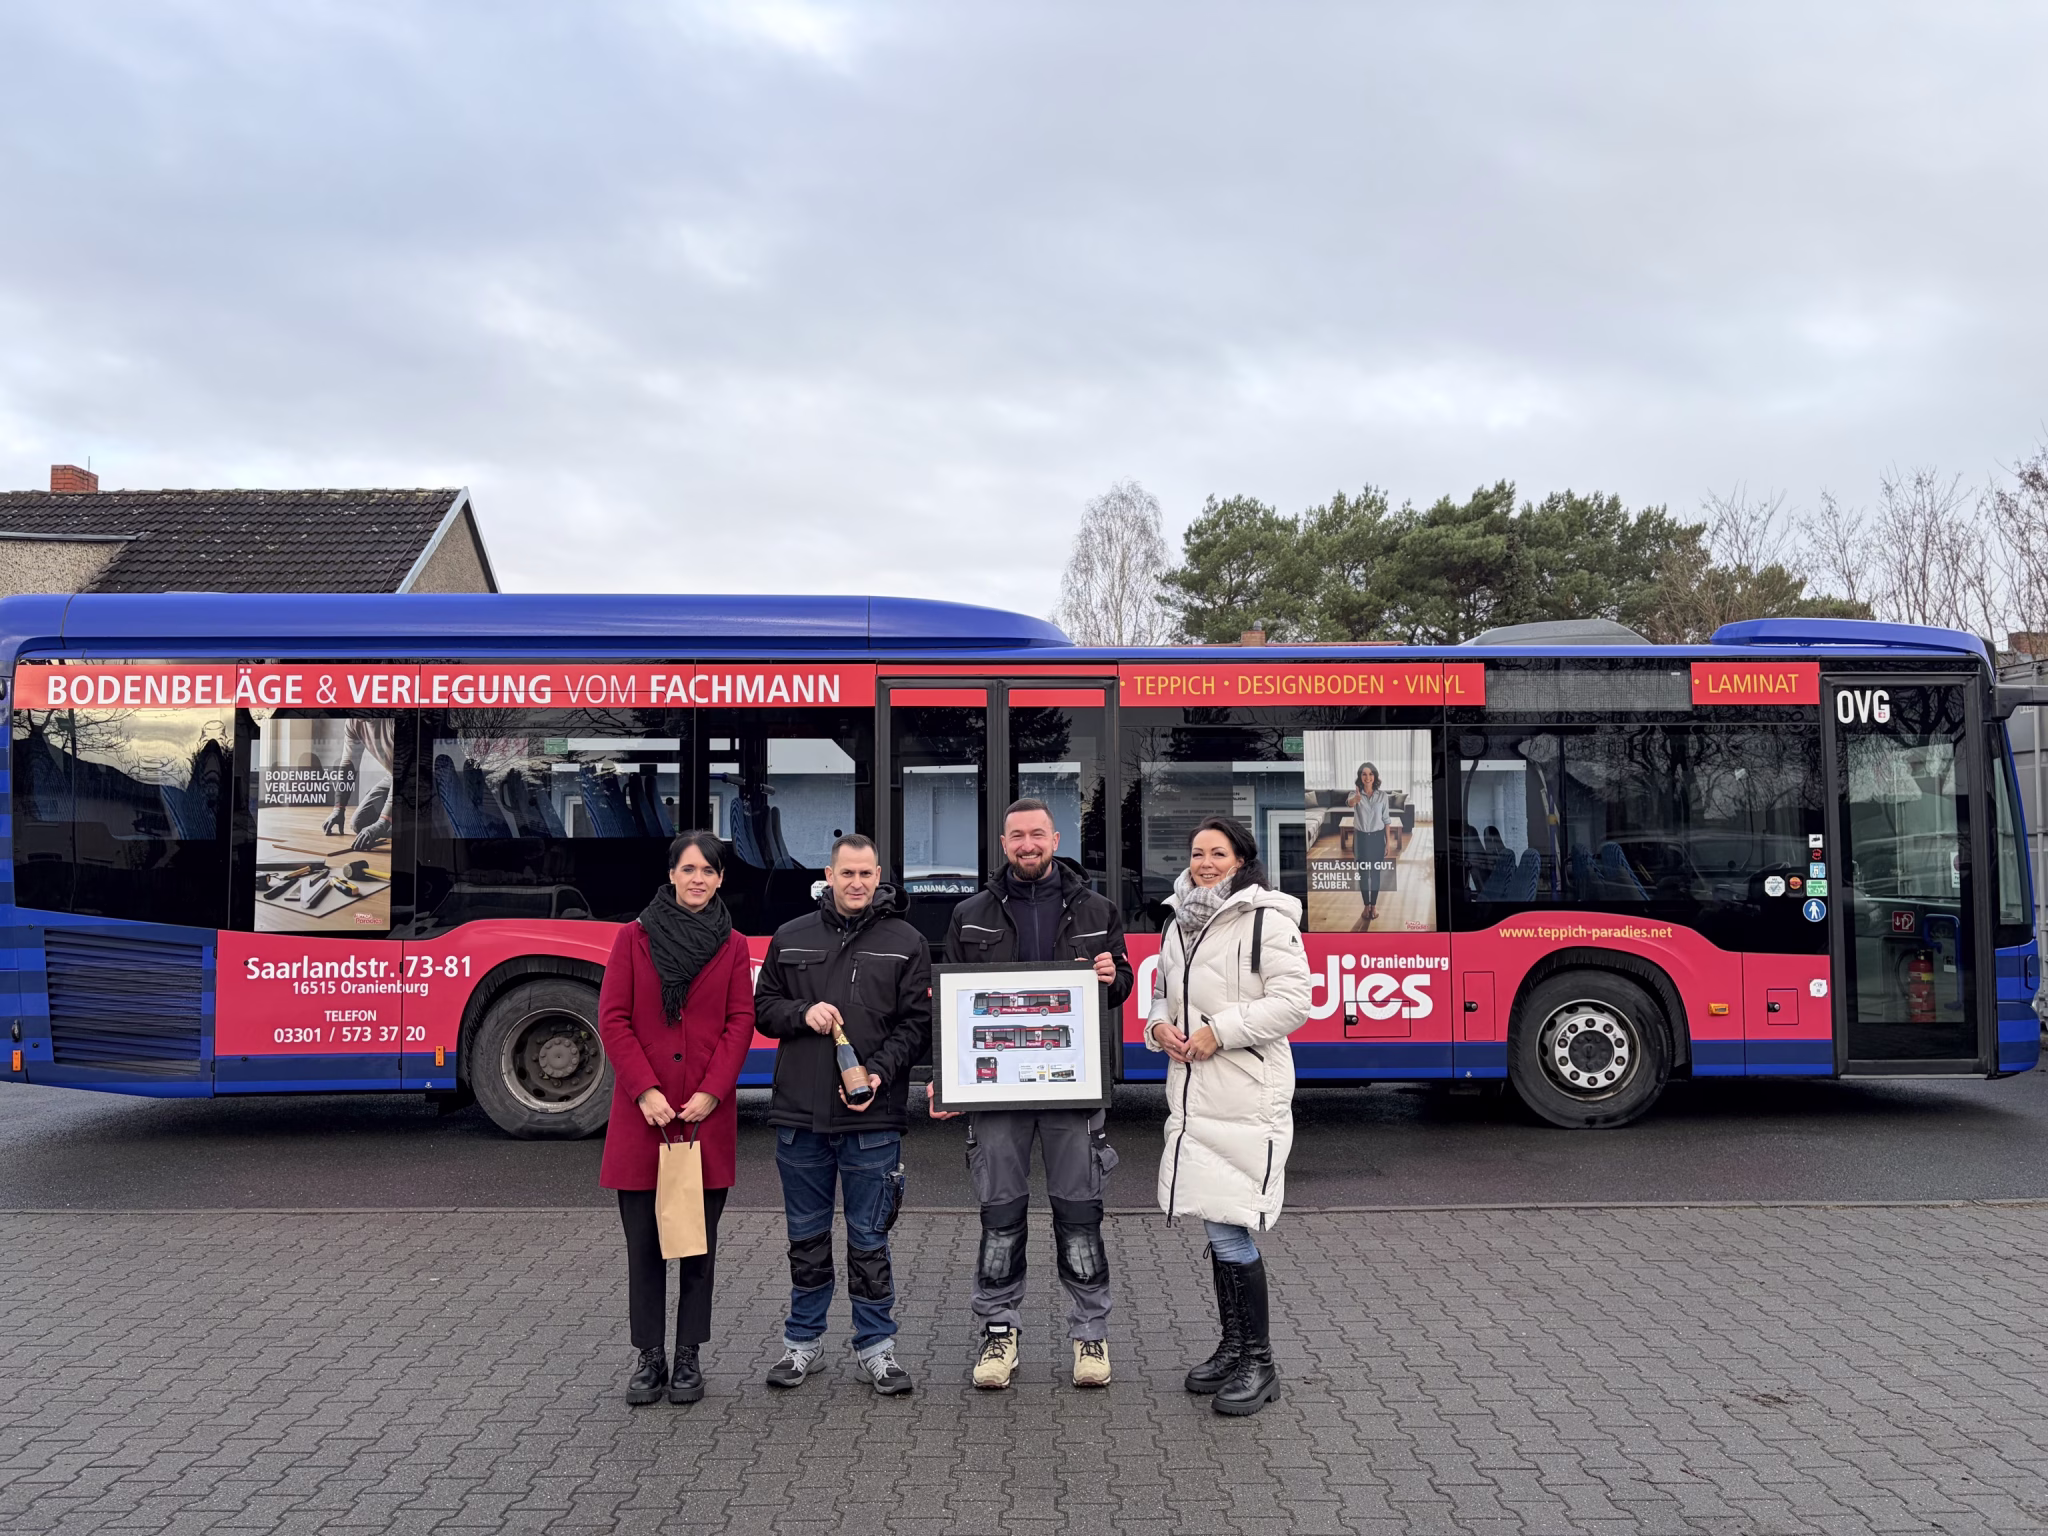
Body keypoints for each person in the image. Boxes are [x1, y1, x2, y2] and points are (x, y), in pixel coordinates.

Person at [931, 798, 1134, 1390]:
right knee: (1000, 1217)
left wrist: (1108, 977)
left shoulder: (1098, 909)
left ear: (1055, 838)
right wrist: (945, 1074)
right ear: (1003, 842)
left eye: (1037, 835)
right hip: (996, 1096)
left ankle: (1090, 1333)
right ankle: (999, 1332)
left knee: (1079, 1214)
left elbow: (1120, 983)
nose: (1027, 844)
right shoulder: (970, 914)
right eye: (1016, 835)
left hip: (1073, 1092)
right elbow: (952, 1007)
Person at [752, 833, 931, 1395]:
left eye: (867, 874)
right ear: (828, 875)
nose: (857, 883)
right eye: (847, 873)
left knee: (869, 1240)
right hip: (800, 1117)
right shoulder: (790, 936)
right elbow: (763, 1010)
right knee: (805, 1240)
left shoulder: (906, 941)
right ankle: (801, 1346)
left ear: (880, 877)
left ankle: (877, 1350)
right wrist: (803, 1012)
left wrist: (878, 1071)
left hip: (872, 1119)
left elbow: (916, 1026)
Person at [1146, 815, 1312, 1416]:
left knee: (1229, 1224)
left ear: (1241, 860)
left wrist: (1221, 1032)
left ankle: (1259, 1363)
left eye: (1218, 853)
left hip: (1244, 1090)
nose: (1205, 862)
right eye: (1197, 852)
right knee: (1216, 1220)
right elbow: (1164, 990)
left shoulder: (1266, 918)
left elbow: (1296, 1001)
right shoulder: (1179, 920)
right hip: (1193, 1090)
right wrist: (1157, 1024)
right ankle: (1233, 1347)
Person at [596, 831, 758, 1406]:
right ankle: (650, 1358)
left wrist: (714, 1092)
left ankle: (689, 1356)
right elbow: (613, 1019)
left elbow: (742, 1021)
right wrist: (644, 1091)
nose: (697, 879)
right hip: (645, 1119)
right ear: (671, 874)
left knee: (695, 1246)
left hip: (701, 1121)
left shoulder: (734, 945)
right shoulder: (632, 939)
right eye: (688, 869)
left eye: (708, 871)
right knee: (644, 1249)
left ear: (719, 879)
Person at [1348, 761, 1390, 930]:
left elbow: (1386, 820)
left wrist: (1388, 842)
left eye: (1371, 774)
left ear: (1375, 777)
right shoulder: (1354, 794)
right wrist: (1356, 799)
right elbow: (1350, 803)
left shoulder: (1383, 796)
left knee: (1376, 873)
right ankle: (1366, 905)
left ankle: (1374, 905)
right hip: (1361, 839)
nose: (1368, 777)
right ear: (1360, 777)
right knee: (1364, 873)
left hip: (1378, 838)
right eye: (1364, 774)